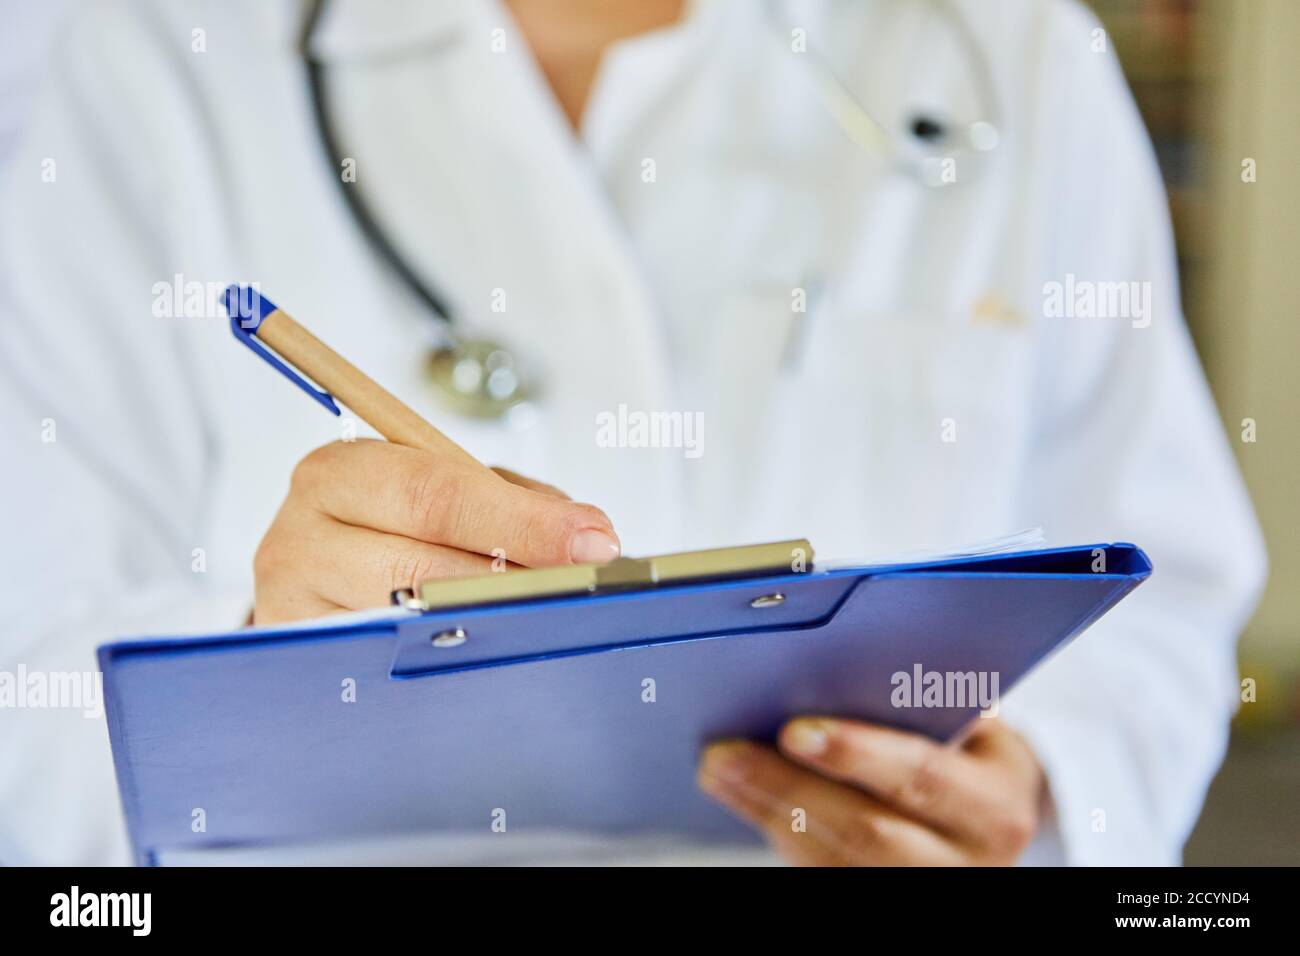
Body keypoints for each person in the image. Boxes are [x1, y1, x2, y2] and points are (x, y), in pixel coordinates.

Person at [0, 0, 1265, 866]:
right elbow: (29, 696)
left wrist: (1039, 794)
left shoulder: (1012, 54)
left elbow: (1159, 595)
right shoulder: (154, 61)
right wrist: (253, 678)